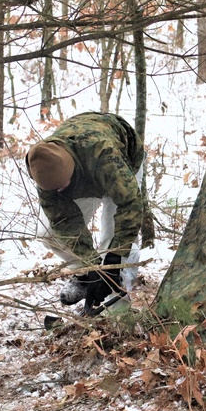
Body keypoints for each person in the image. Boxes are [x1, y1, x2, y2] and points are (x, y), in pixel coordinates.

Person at [25, 112, 154, 315]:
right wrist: (91, 265)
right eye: (55, 189)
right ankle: (85, 276)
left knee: (112, 243)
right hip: (81, 175)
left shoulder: (104, 156)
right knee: (48, 232)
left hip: (120, 163)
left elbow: (130, 205)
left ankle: (116, 311)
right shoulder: (43, 167)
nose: (59, 192)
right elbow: (64, 221)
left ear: (72, 170)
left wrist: (113, 259)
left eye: (62, 186)